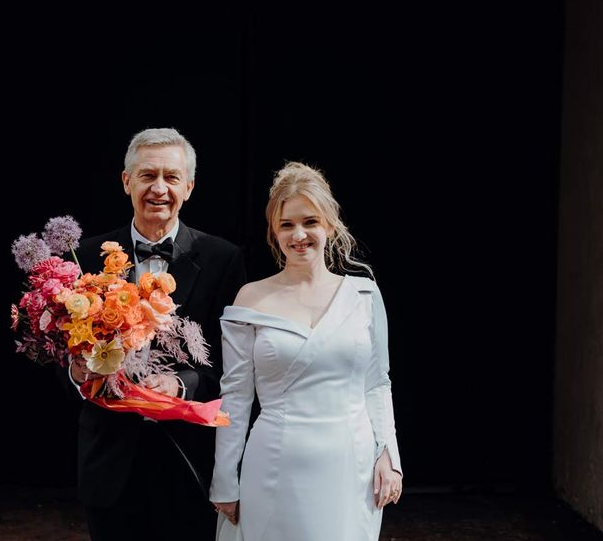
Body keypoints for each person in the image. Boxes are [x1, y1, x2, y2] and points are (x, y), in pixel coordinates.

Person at [69, 127, 246, 541]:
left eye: (171, 177)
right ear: (127, 181)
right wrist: (78, 374)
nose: (159, 188)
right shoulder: (85, 258)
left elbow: (238, 365)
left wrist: (181, 384)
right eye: (148, 176)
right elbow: (66, 356)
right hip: (110, 462)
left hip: (189, 460)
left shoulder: (224, 259)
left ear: (190, 186)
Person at [209, 161, 402, 541]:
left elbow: (378, 382)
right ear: (274, 232)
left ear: (330, 224)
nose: (299, 234)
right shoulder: (252, 298)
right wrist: (224, 480)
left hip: (352, 465)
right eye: (286, 225)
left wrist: (389, 456)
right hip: (274, 465)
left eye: (310, 221)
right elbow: (234, 396)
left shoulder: (363, 294)